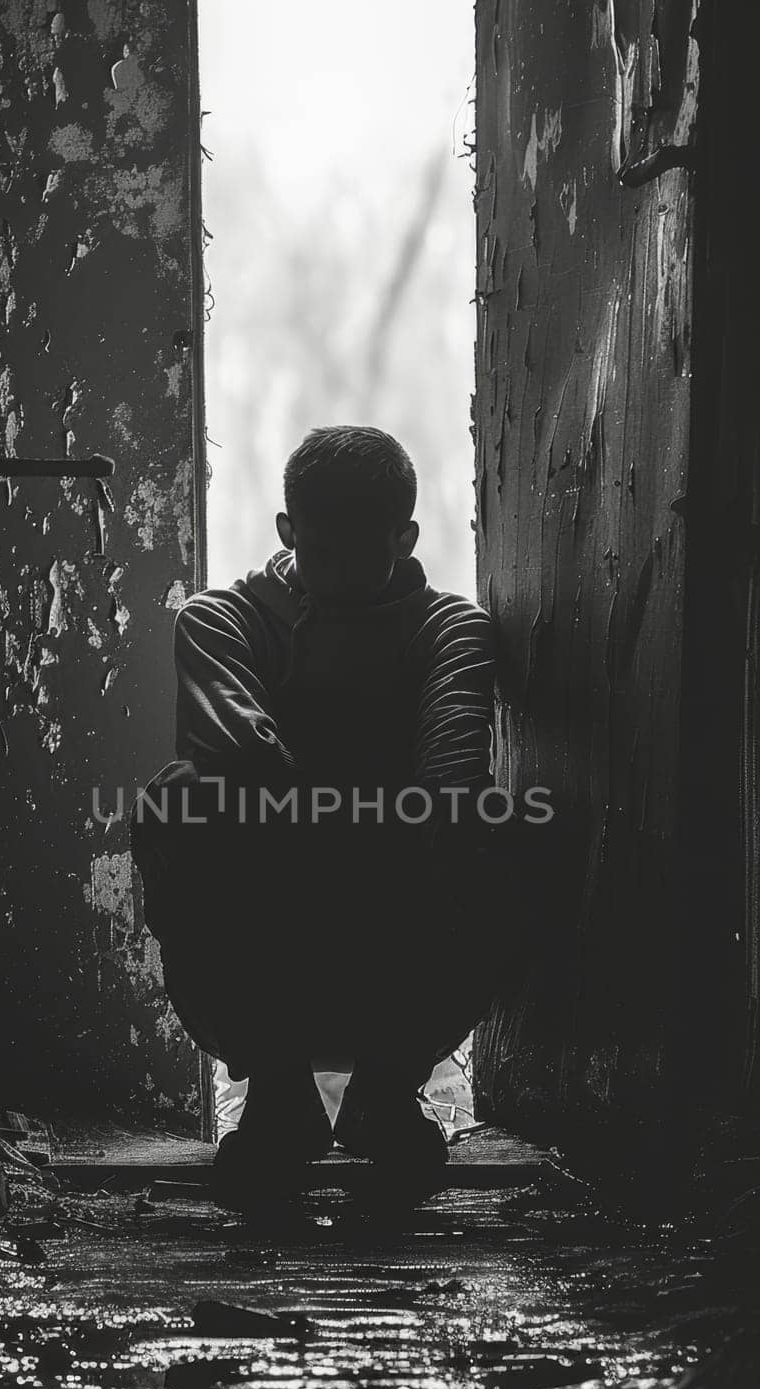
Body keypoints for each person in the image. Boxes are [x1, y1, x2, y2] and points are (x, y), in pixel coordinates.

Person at [132, 425, 532, 1212]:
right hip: (275, 908)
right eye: (323, 550)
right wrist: (357, 807)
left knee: (491, 823)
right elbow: (241, 760)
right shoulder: (222, 620)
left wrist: (335, 809)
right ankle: (278, 1095)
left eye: (364, 549)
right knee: (184, 799)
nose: (343, 574)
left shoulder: (450, 628)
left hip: (397, 913)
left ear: (406, 537)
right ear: (287, 532)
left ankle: (385, 1091)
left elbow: (451, 781)